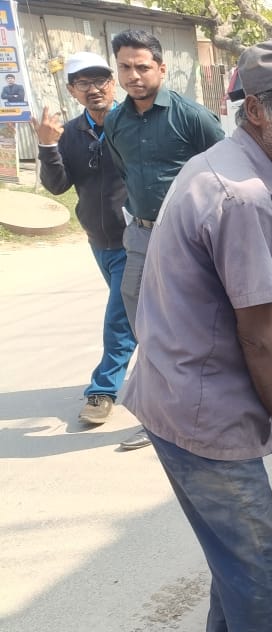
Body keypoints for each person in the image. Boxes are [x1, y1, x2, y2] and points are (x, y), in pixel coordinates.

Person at [121, 40, 272, 632]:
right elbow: (255, 336)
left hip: (173, 397)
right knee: (265, 585)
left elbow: (244, 316)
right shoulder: (242, 195)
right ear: (257, 113)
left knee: (235, 569)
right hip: (203, 418)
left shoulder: (223, 163)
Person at [104, 30, 224, 449]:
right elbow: (125, 173)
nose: (133, 75)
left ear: (161, 68)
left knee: (191, 323)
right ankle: (159, 414)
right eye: (124, 67)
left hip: (185, 239)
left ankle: (207, 407)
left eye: (142, 66)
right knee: (143, 323)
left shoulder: (191, 116)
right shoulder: (115, 121)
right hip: (139, 234)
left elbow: (225, 171)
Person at [31, 52, 137, 436]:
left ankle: (103, 390)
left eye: (101, 80)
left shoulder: (133, 122)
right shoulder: (71, 133)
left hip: (136, 241)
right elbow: (59, 186)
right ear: (72, 90)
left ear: (113, 83)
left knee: (119, 319)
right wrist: (47, 147)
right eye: (84, 83)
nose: (94, 89)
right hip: (99, 242)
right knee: (137, 316)